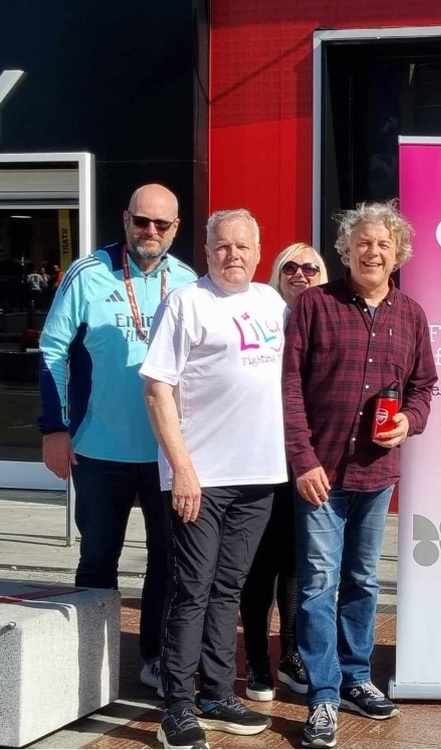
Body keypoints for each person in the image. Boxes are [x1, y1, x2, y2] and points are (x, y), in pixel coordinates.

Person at [283, 201, 437, 748]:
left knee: (364, 580)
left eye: (384, 245)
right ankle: (323, 695)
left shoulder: (411, 314)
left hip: (377, 472)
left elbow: (424, 386)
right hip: (320, 474)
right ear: (345, 250)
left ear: (399, 255)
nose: (373, 252)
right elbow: (290, 390)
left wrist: (410, 423)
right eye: (363, 243)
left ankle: (356, 678)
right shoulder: (313, 307)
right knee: (319, 584)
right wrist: (301, 460)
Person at [38, 183, 197, 696]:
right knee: (97, 560)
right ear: (125, 218)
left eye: (162, 224)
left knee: (167, 565)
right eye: (141, 221)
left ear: (176, 228)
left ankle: (153, 658)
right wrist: (54, 428)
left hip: (164, 456)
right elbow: (51, 351)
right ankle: (89, 660)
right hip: (99, 450)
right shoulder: (88, 273)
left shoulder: (190, 282)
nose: (150, 232)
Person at [142, 209, 288, 749]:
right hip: (200, 478)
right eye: (223, 247)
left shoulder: (271, 303)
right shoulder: (185, 302)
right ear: (207, 250)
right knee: (193, 589)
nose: (234, 256)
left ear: (258, 250)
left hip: (260, 475)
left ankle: (216, 692)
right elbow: (157, 389)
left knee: (229, 588)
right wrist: (181, 469)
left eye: (244, 247)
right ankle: (178, 705)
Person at [240, 242, 328, 702]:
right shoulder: (265, 317)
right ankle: (257, 662)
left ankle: (291, 654)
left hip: (310, 462)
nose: (299, 274)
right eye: (288, 266)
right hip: (262, 458)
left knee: (297, 565)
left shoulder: (330, 317)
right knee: (260, 567)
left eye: (309, 267)